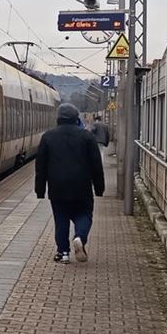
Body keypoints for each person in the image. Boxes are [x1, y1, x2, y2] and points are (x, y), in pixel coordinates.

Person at [35, 103, 105, 264]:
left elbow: (41, 166)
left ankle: (63, 252)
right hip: (82, 186)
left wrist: (40, 190)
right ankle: (80, 237)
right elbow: (96, 165)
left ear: (58, 118)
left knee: (61, 219)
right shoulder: (86, 137)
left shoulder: (48, 137)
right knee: (84, 215)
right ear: (76, 118)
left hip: (57, 187)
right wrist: (99, 188)